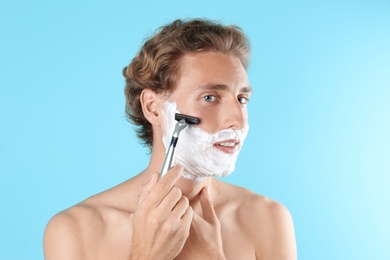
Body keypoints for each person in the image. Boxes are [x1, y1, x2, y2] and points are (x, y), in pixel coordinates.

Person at [43, 18, 297, 259]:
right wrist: (146, 255)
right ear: (153, 108)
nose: (238, 120)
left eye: (242, 99)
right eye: (210, 97)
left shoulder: (267, 219)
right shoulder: (75, 230)